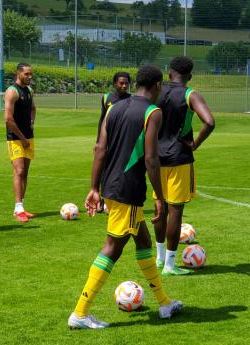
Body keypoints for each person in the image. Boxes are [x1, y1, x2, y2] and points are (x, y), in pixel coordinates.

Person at [68, 65, 183, 329]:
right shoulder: (153, 113)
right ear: (156, 86)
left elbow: (99, 148)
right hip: (128, 188)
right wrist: (160, 197)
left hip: (111, 184)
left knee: (143, 241)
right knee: (112, 247)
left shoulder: (114, 107)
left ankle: (164, 303)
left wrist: (94, 187)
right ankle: (81, 312)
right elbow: (152, 159)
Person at [153, 57, 215, 276]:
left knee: (159, 208)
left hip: (156, 159)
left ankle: (159, 259)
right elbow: (209, 122)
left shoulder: (157, 92)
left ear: (169, 73)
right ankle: (170, 265)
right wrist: (195, 143)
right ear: (189, 76)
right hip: (179, 159)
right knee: (175, 211)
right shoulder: (190, 94)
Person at [4, 63, 37, 223]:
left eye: (31, 74)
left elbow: (33, 108)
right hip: (15, 138)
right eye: (27, 74)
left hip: (28, 137)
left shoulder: (29, 91)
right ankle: (17, 208)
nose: (30, 77)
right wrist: (22, 138)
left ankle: (21, 206)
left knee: (25, 172)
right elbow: (8, 119)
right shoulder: (12, 92)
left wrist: (32, 122)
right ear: (18, 73)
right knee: (19, 171)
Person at [96, 72, 131, 213]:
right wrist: (98, 142)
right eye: (121, 83)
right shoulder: (106, 98)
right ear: (115, 83)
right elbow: (102, 120)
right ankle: (101, 200)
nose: (124, 86)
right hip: (107, 142)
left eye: (126, 83)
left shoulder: (131, 100)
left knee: (118, 172)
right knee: (103, 172)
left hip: (122, 143)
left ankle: (115, 201)